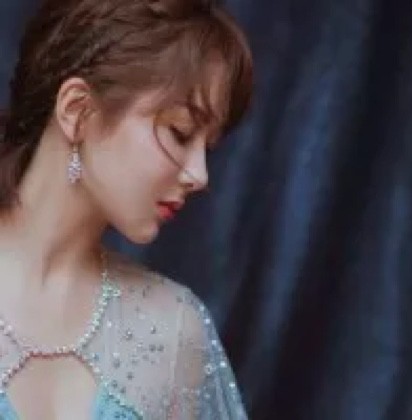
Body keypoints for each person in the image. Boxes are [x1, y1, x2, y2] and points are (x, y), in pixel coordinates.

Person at [0, 0, 253, 418]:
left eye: (206, 148)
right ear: (77, 110)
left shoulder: (175, 331)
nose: (199, 175)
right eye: (180, 132)